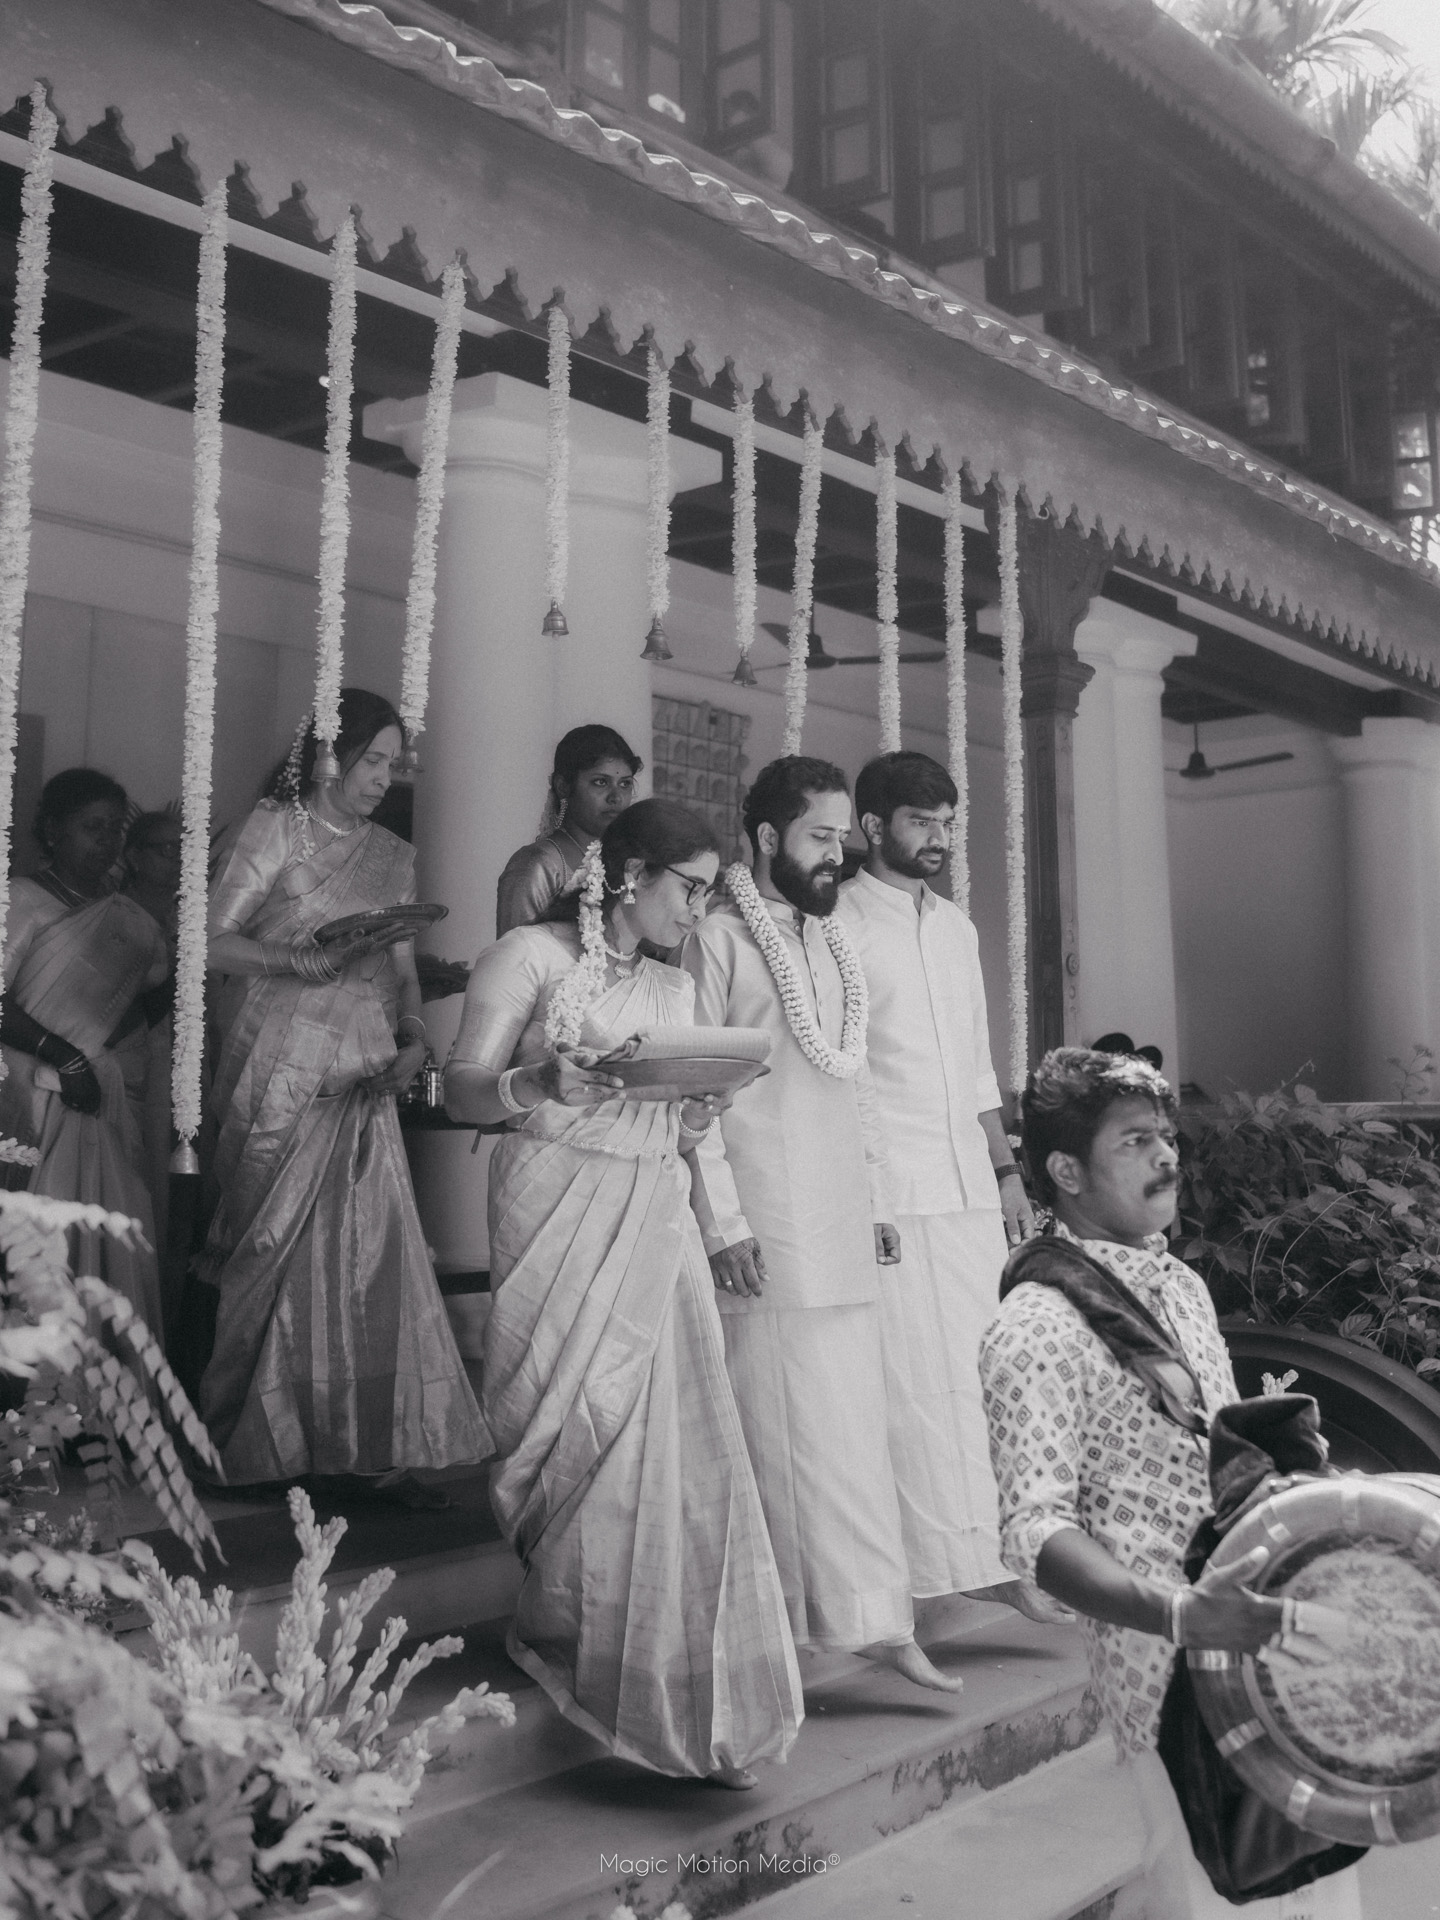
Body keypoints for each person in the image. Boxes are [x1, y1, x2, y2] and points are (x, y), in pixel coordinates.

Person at [447, 797, 802, 1785]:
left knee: (675, 1447)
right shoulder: (528, 956)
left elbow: (678, 1128)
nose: (699, 910)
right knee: (562, 1428)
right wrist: (536, 1083)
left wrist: (697, 1111)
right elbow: (461, 1086)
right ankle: (575, 1635)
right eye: (690, 888)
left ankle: (676, 1684)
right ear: (631, 874)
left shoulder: (676, 987)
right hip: (555, 1203)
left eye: (710, 893)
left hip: (653, 1215)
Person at [978, 1049, 1360, 1918]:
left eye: (1166, 1137)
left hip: (1264, 1642)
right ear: (1065, 1171)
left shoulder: (1180, 1285)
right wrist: (1186, 1615)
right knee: (1212, 1894)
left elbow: (1215, 1458)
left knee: (1316, 1892)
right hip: (1167, 1676)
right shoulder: (1033, 1328)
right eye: (1135, 1141)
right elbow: (1036, 1532)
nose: (1166, 1157)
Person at [681, 755, 960, 1692]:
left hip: (842, 1214)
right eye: (820, 836)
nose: (838, 854)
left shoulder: (831, 939)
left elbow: (857, 1081)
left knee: (850, 1429)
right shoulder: (717, 941)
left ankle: (875, 1618)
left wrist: (875, 1200)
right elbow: (693, 1099)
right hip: (765, 1222)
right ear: (768, 837)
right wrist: (722, 1224)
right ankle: (786, 1634)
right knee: (780, 1430)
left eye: (844, 836)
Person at [198, 689, 487, 1499]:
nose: (384, 778)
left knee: (367, 1255)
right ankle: (245, 1439)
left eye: (394, 764)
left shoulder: (391, 853)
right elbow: (211, 941)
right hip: (277, 1068)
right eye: (373, 761)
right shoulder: (274, 828)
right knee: (267, 1249)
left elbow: (400, 967)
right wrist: (300, 961)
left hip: (363, 1069)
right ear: (330, 755)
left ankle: (355, 1441)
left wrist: (415, 1038)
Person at [837, 751, 1066, 1623]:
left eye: (946, 823)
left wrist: (1006, 1172)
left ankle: (1000, 1561)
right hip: (890, 1185)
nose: (938, 839)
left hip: (968, 1181)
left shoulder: (958, 928)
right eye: (920, 823)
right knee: (907, 1384)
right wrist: (864, 1189)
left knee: (977, 1376)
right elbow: (845, 1072)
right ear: (873, 827)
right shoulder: (838, 924)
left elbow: (976, 1067)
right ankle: (919, 1572)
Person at [0, 769, 167, 1328]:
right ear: (53, 830)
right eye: (93, 828)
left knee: (106, 1231)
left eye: (116, 829)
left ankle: (95, 1361)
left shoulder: (125, 912)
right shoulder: (21, 898)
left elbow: (147, 997)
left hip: (105, 1093)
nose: (108, 842)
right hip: (31, 1093)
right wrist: (66, 1056)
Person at [122, 809, 183, 1328]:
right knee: (151, 1177)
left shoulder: (199, 911)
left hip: (196, 1057)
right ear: (134, 857)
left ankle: (180, 1311)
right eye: (165, 849)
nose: (177, 859)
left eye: (183, 848)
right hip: (143, 1055)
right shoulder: (118, 913)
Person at [495, 724, 641, 936]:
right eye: (601, 782)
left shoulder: (628, 864)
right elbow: (515, 953)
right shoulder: (536, 866)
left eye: (625, 784)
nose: (616, 797)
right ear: (563, 786)